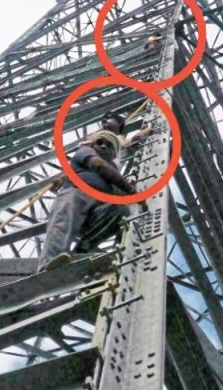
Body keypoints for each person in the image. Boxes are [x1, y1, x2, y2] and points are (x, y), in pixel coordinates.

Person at [37, 113, 149, 271]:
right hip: (77, 194)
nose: (103, 146)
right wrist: (131, 191)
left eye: (109, 145)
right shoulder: (85, 152)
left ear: (114, 153)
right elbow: (98, 165)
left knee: (121, 210)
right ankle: (49, 263)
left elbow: (118, 186)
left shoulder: (114, 169)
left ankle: (81, 252)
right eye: (100, 143)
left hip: (97, 208)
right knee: (67, 210)